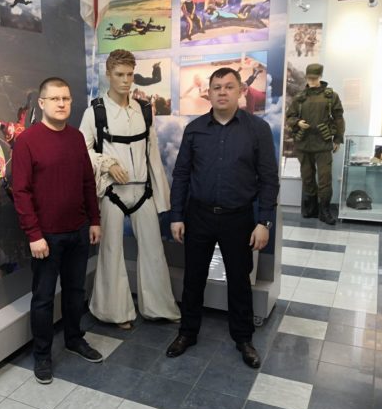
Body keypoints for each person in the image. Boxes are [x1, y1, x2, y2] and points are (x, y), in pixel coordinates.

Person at [166, 67, 279, 369]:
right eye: (217, 87)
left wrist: (264, 221)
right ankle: (187, 333)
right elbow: (181, 174)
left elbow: (269, 179)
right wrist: (176, 215)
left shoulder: (257, 129)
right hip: (199, 215)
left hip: (238, 218)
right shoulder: (195, 129)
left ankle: (243, 338)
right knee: (193, 278)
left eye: (229, 86)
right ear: (209, 93)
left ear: (241, 90)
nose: (222, 92)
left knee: (239, 280)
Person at [80, 49, 180, 329]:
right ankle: (113, 312)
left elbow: (153, 154)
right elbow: (82, 150)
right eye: (119, 74)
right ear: (108, 75)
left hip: (142, 191)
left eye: (130, 74)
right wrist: (107, 163)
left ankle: (159, 307)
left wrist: (161, 198)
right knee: (111, 252)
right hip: (112, 192)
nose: (125, 80)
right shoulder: (95, 112)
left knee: (153, 250)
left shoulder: (144, 110)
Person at [12, 77, 102, 384]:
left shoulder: (76, 138)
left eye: (66, 98)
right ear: (42, 103)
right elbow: (21, 192)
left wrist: (94, 220)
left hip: (78, 230)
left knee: (76, 292)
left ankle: (75, 339)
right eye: (55, 99)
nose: (62, 104)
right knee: (44, 298)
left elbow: (87, 182)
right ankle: (42, 356)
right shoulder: (27, 141)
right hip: (46, 237)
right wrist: (34, 235)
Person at [286, 63, 345, 225]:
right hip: (303, 143)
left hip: (323, 143)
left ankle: (324, 211)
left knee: (325, 178)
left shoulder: (330, 96)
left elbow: (338, 118)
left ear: (320, 77)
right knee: (307, 177)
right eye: (309, 78)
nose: (311, 81)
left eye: (314, 78)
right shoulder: (300, 97)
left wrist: (338, 139)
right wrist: (298, 122)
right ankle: (311, 208)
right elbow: (290, 116)